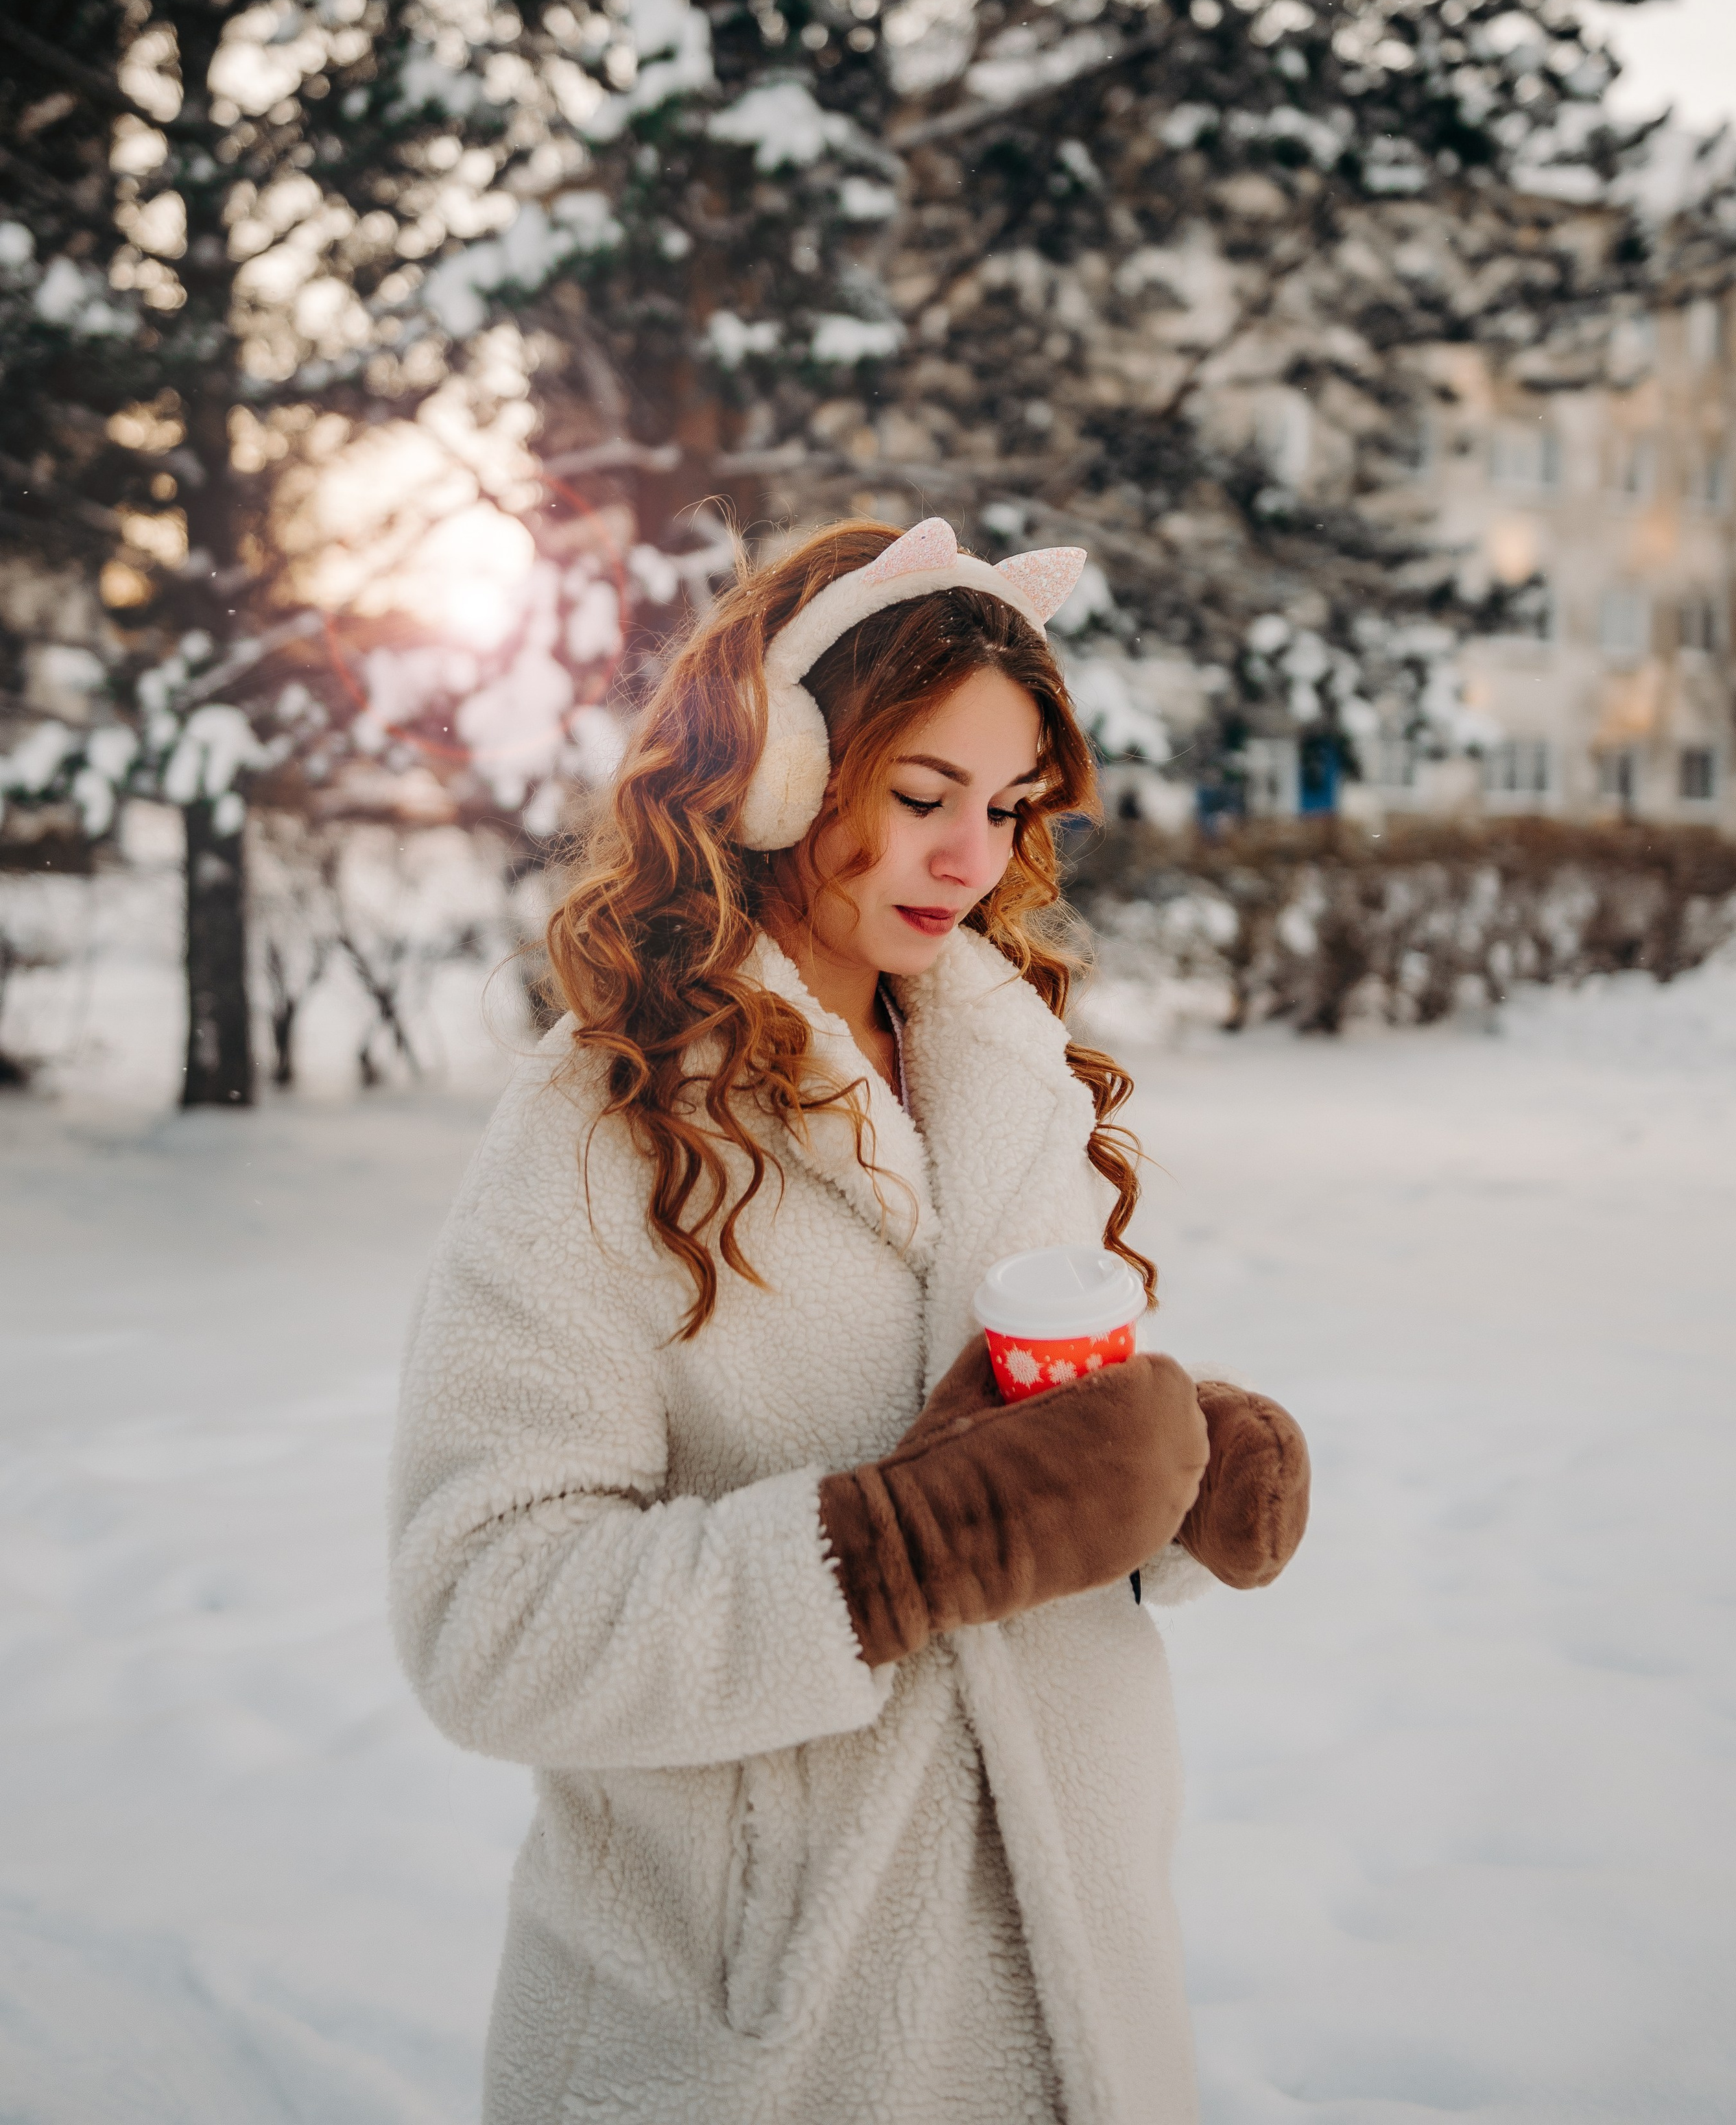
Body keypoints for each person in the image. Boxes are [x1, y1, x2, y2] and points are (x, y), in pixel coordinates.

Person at [389, 516, 1309, 2125]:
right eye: (923, 795)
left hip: (1073, 2004)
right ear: (777, 774)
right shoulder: (604, 1122)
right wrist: (901, 1551)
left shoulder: (1004, 1072)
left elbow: (1022, 1434)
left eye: (1006, 806)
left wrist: (1173, 1469)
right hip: (760, 2039)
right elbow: (488, 1620)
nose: (973, 859)